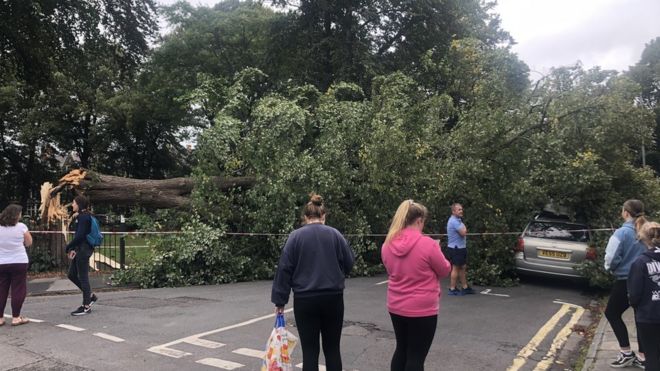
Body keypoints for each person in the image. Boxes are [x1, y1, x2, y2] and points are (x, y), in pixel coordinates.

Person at [271, 194, 355, 371]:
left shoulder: (295, 237)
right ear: (323, 216)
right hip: (333, 297)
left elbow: (284, 269)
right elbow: (349, 263)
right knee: (332, 350)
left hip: (305, 299)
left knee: (310, 352)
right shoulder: (335, 235)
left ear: (305, 217)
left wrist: (280, 301)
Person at [381, 200, 451, 371]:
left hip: (396, 305)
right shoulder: (427, 244)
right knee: (416, 357)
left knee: (401, 349)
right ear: (419, 220)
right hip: (422, 308)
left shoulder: (387, 244)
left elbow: (390, 269)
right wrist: (437, 250)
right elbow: (444, 270)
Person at [604, 199, 647, 368]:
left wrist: (610, 268)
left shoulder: (621, 233)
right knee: (641, 317)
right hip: (646, 280)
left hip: (625, 280)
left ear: (626, 213)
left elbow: (611, 257)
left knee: (612, 313)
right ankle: (644, 357)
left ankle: (626, 352)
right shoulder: (648, 230)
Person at [629, 222, 660, 371]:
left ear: (643, 239)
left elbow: (634, 295)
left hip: (648, 315)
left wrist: (638, 307)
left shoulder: (640, 262)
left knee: (652, 356)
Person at [65, 195, 98, 316]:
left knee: (83, 277)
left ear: (79, 204)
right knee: (72, 274)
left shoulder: (84, 217)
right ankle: (89, 296)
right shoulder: (82, 217)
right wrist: (74, 248)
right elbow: (79, 236)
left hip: (84, 250)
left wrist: (68, 246)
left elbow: (80, 236)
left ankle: (86, 306)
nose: (72, 205)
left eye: (73, 203)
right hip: (80, 248)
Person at [0, 204, 33, 326]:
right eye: (19, 214)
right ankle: (16, 317)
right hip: (19, 261)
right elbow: (29, 242)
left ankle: (0, 317)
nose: (20, 216)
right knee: (18, 289)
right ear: (15, 215)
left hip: (2, 262)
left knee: (1, 289)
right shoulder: (21, 227)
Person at [446, 203, 474, 296]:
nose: (461, 211)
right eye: (459, 210)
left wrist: (463, 226)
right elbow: (463, 232)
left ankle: (465, 287)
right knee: (456, 268)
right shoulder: (454, 221)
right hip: (456, 248)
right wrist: (464, 227)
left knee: (462, 267)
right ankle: (452, 288)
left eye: (461, 209)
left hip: (460, 248)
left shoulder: (458, 220)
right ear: (453, 211)